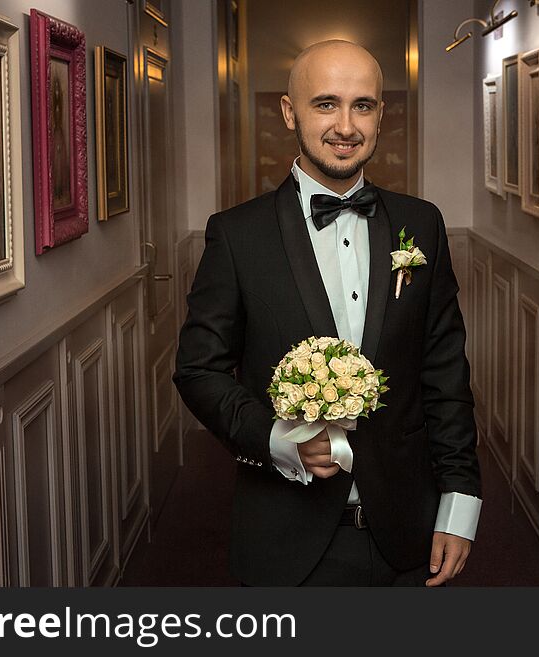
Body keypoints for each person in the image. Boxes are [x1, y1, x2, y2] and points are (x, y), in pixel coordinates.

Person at [173, 40, 481, 587]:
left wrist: (460, 501)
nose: (346, 125)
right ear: (290, 112)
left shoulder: (423, 224)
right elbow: (199, 370)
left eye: (363, 105)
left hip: (407, 532)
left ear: (382, 115)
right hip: (286, 538)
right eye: (325, 104)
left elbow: (445, 374)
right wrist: (275, 436)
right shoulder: (238, 235)